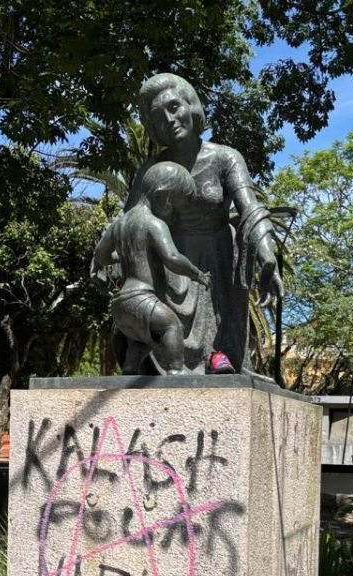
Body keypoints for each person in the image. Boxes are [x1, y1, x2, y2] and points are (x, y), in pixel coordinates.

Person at [124, 72, 284, 374]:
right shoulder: (151, 168)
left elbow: (250, 208)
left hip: (218, 256)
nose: (169, 119)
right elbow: (132, 218)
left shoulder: (226, 158)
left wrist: (266, 254)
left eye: (174, 107)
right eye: (158, 116)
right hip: (171, 258)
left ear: (190, 106)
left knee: (225, 283)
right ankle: (158, 358)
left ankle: (218, 354)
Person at [92, 161, 211, 375]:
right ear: (161, 195)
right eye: (174, 206)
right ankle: (176, 371)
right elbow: (172, 257)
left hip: (120, 306)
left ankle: (130, 367)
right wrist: (197, 274)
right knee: (171, 326)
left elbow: (101, 254)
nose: (174, 215)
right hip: (142, 298)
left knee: (144, 338)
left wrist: (116, 259)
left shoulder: (118, 225)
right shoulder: (154, 223)